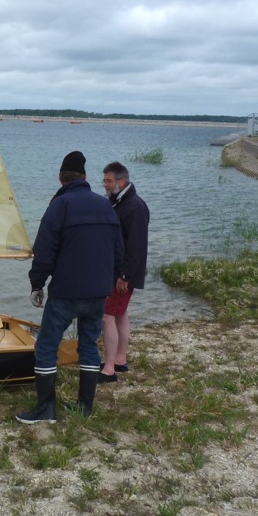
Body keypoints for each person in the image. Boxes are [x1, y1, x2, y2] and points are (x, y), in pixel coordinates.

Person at [17, 151, 123, 423]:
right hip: (98, 292)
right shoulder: (105, 206)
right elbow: (119, 252)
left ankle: (46, 409)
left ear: (61, 179)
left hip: (66, 292)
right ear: (85, 177)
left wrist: (37, 284)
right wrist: (107, 282)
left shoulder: (59, 205)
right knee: (88, 345)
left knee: (47, 347)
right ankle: (84, 408)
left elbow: (44, 250)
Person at [99, 161, 150, 382]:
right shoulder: (118, 203)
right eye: (104, 181)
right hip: (116, 271)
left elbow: (137, 246)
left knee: (106, 316)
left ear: (122, 181)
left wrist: (125, 276)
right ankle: (120, 359)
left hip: (123, 274)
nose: (105, 185)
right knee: (120, 314)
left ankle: (109, 369)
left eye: (109, 181)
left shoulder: (134, 206)